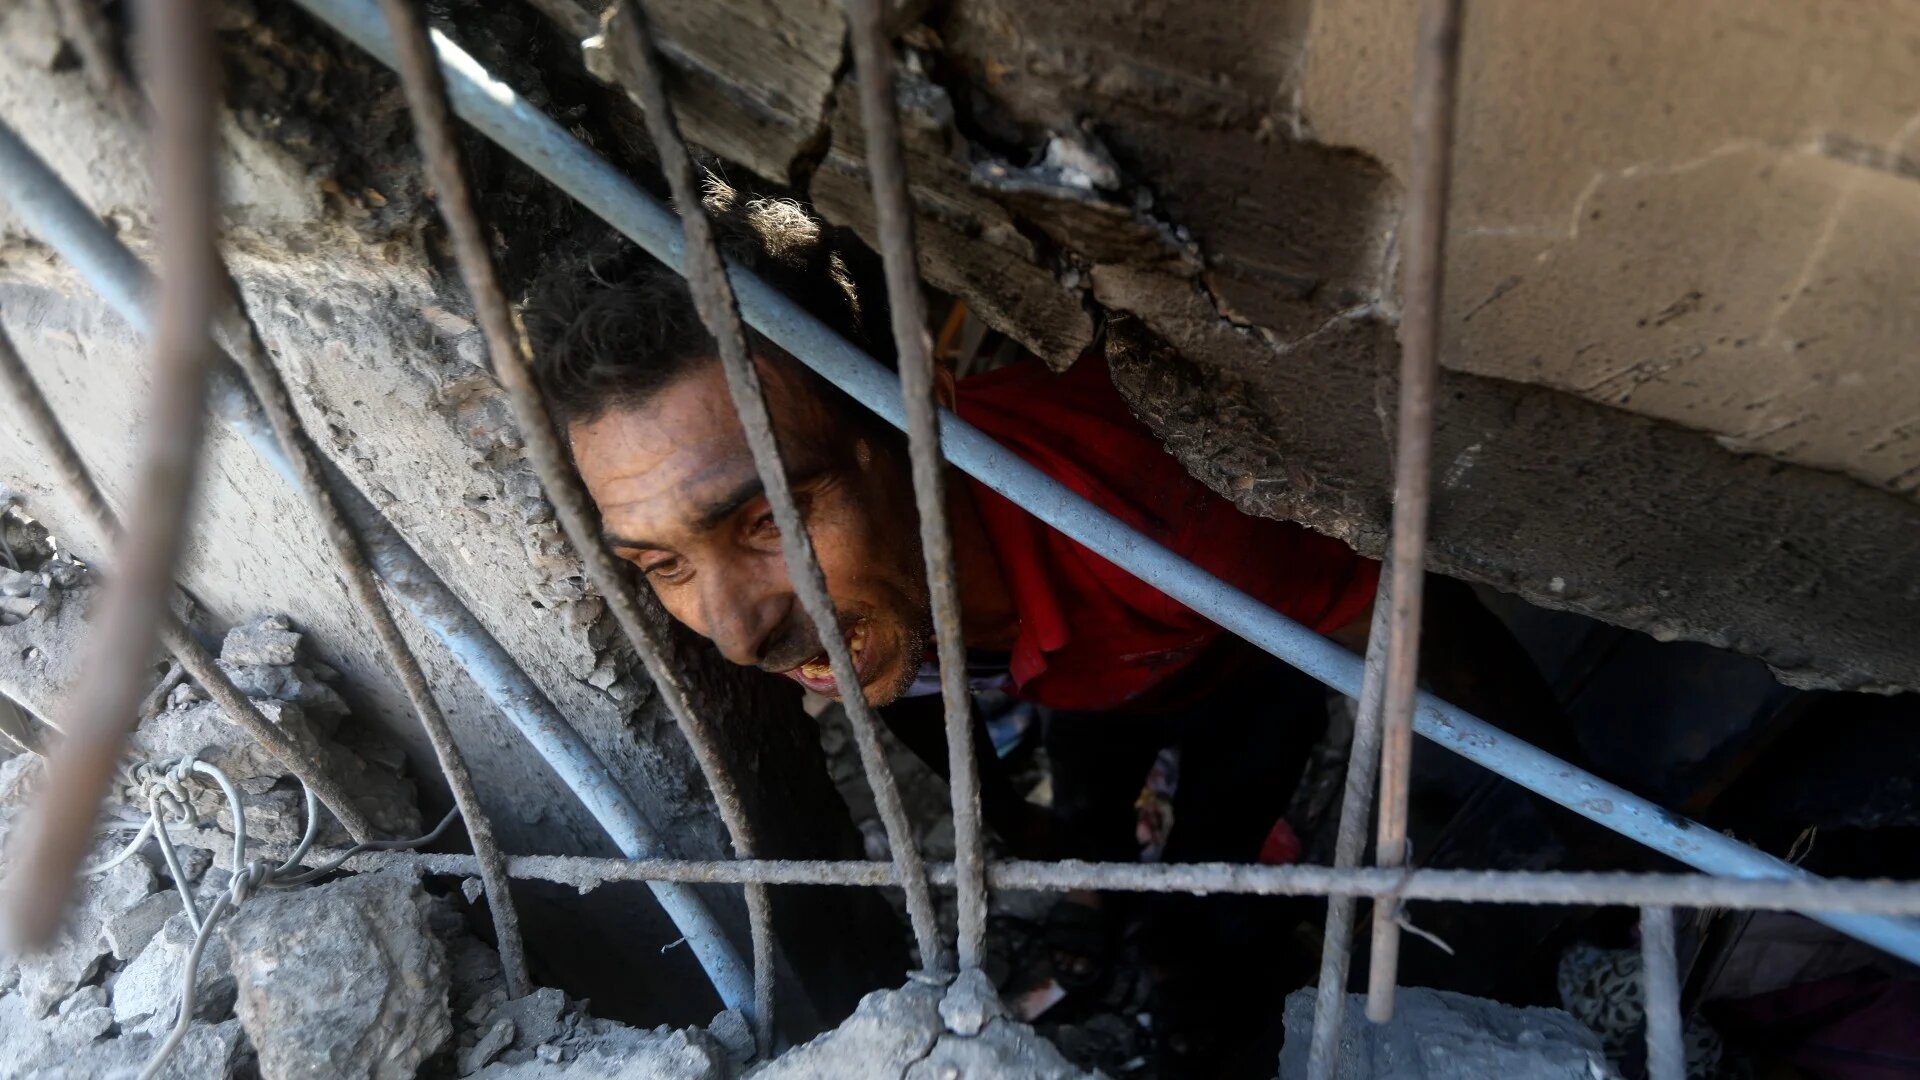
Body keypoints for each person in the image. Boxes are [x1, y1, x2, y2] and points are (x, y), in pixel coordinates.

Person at [524, 184, 1597, 1075]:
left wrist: (1600, 844)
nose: (735, 629)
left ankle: (1210, 1002)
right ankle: (1128, 931)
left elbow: (1423, 634)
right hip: (1067, 682)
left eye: (768, 518)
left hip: (1221, 662)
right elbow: (906, 705)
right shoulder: (843, 604)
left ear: (919, 415)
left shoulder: (1172, 531)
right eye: (661, 562)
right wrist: (998, 822)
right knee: (1085, 819)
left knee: (1220, 852)